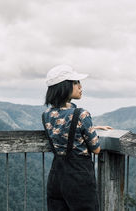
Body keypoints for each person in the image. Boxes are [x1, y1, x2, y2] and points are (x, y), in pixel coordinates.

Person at [42, 64, 112, 211]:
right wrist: (89, 128)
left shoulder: (47, 114)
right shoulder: (81, 114)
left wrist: (92, 127)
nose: (80, 86)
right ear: (65, 86)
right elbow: (97, 149)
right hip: (78, 178)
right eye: (76, 82)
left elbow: (63, 131)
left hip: (56, 176)